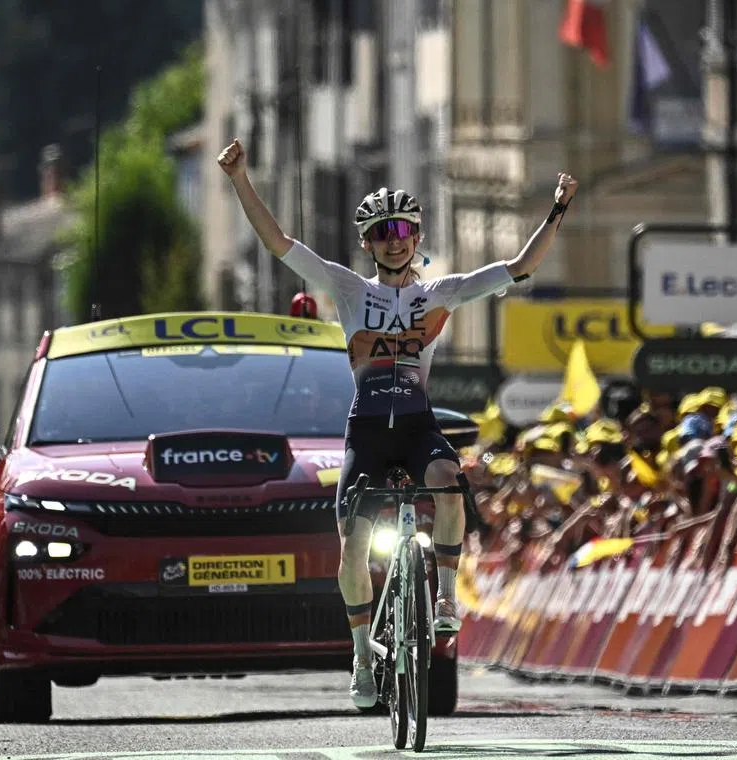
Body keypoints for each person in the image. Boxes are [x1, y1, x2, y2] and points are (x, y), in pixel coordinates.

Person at [217, 137, 579, 708]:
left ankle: (444, 600)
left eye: (402, 232)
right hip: (365, 428)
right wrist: (240, 179)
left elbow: (520, 267)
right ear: (367, 243)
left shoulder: (442, 293)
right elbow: (280, 243)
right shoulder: (348, 287)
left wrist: (557, 209)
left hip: (416, 423)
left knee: (451, 484)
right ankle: (362, 655)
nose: (393, 242)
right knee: (352, 545)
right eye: (382, 234)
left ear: (416, 239)